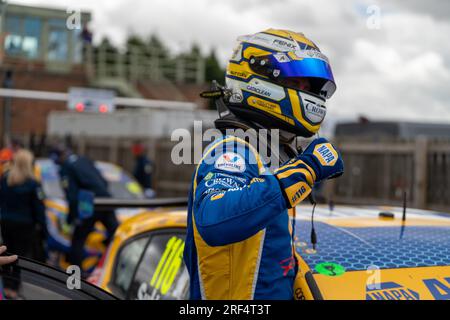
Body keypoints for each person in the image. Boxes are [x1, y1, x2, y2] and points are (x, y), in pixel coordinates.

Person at [183, 29, 344, 300]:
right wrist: (305, 170)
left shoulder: (268, 157)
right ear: (259, 79)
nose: (310, 93)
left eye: (313, 86)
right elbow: (214, 221)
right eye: (301, 83)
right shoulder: (232, 150)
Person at [52, 147, 118, 271]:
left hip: (89, 204)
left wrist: (71, 218)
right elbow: (103, 181)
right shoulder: (84, 160)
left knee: (78, 240)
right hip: (106, 201)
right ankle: (110, 267)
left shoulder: (66, 167)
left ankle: (77, 277)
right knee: (116, 234)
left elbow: (72, 196)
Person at [0, 150, 47, 298]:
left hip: (6, 223)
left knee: (6, 254)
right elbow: (39, 209)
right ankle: (13, 288)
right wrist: (44, 230)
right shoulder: (33, 184)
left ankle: (6, 286)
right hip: (25, 226)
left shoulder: (6, 179)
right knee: (18, 256)